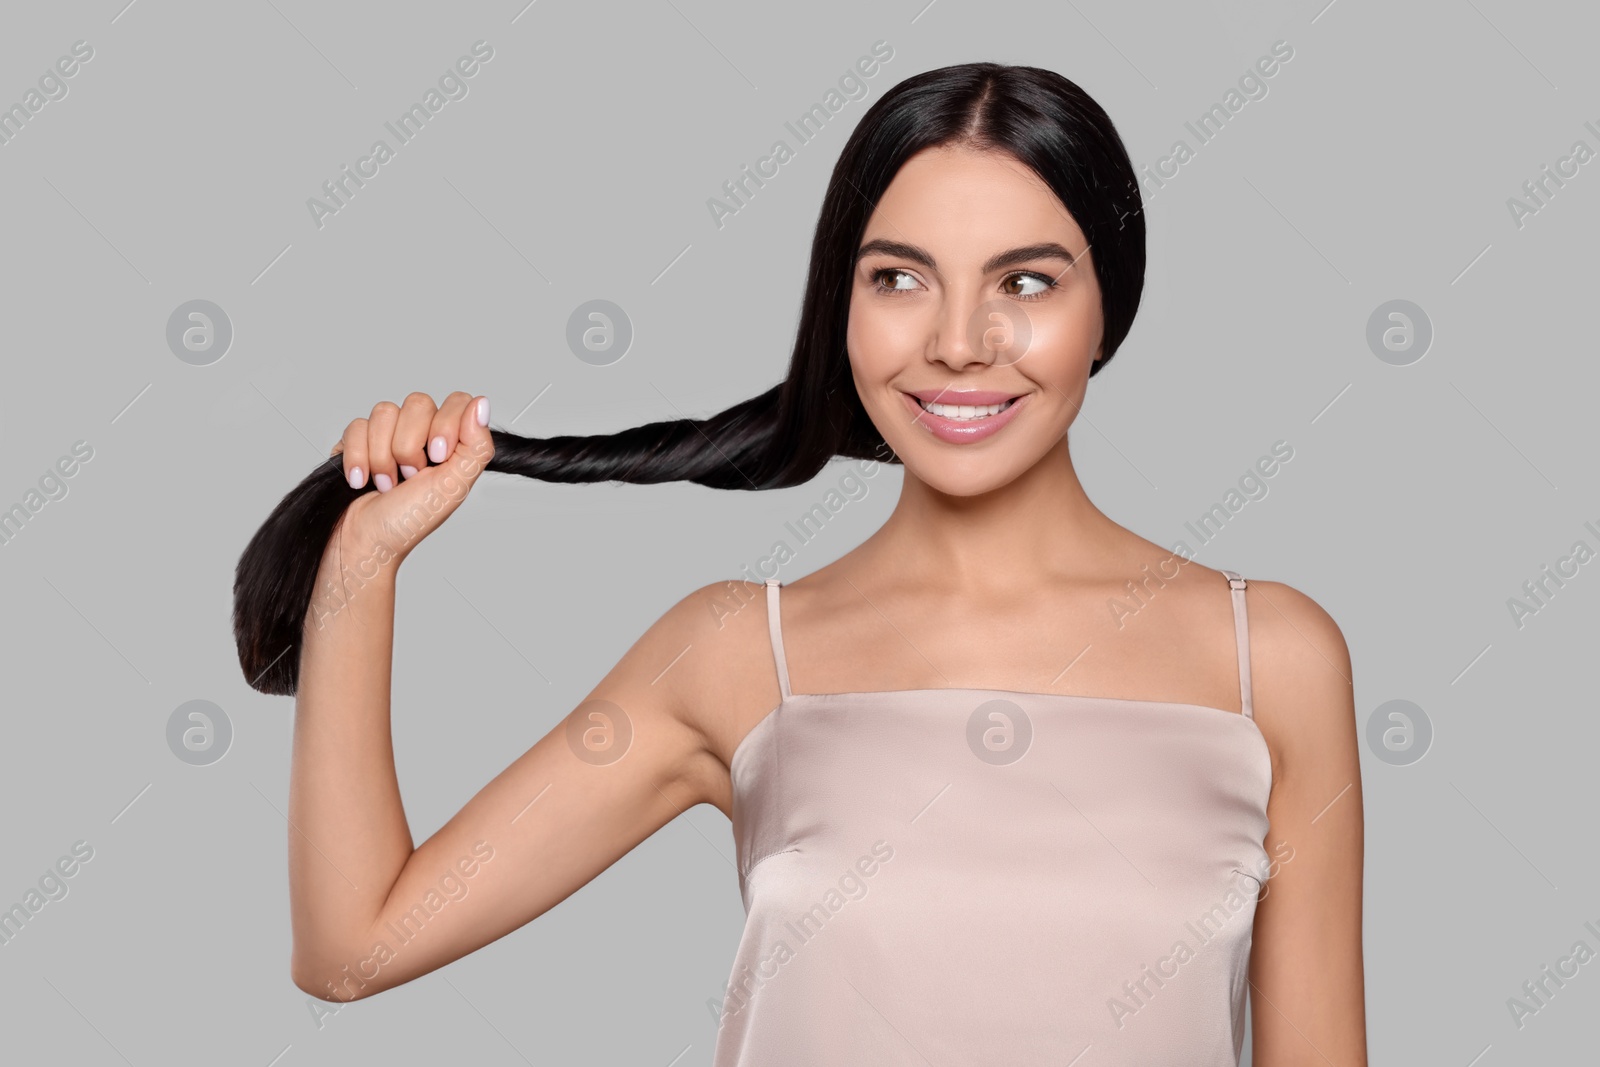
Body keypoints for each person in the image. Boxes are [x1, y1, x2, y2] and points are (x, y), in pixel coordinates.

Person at [240, 61, 1366, 1065]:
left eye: (1025, 281)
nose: (959, 340)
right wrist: (363, 561)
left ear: (1105, 308)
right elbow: (354, 943)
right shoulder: (736, 652)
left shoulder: (1269, 657)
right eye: (899, 278)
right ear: (842, 307)